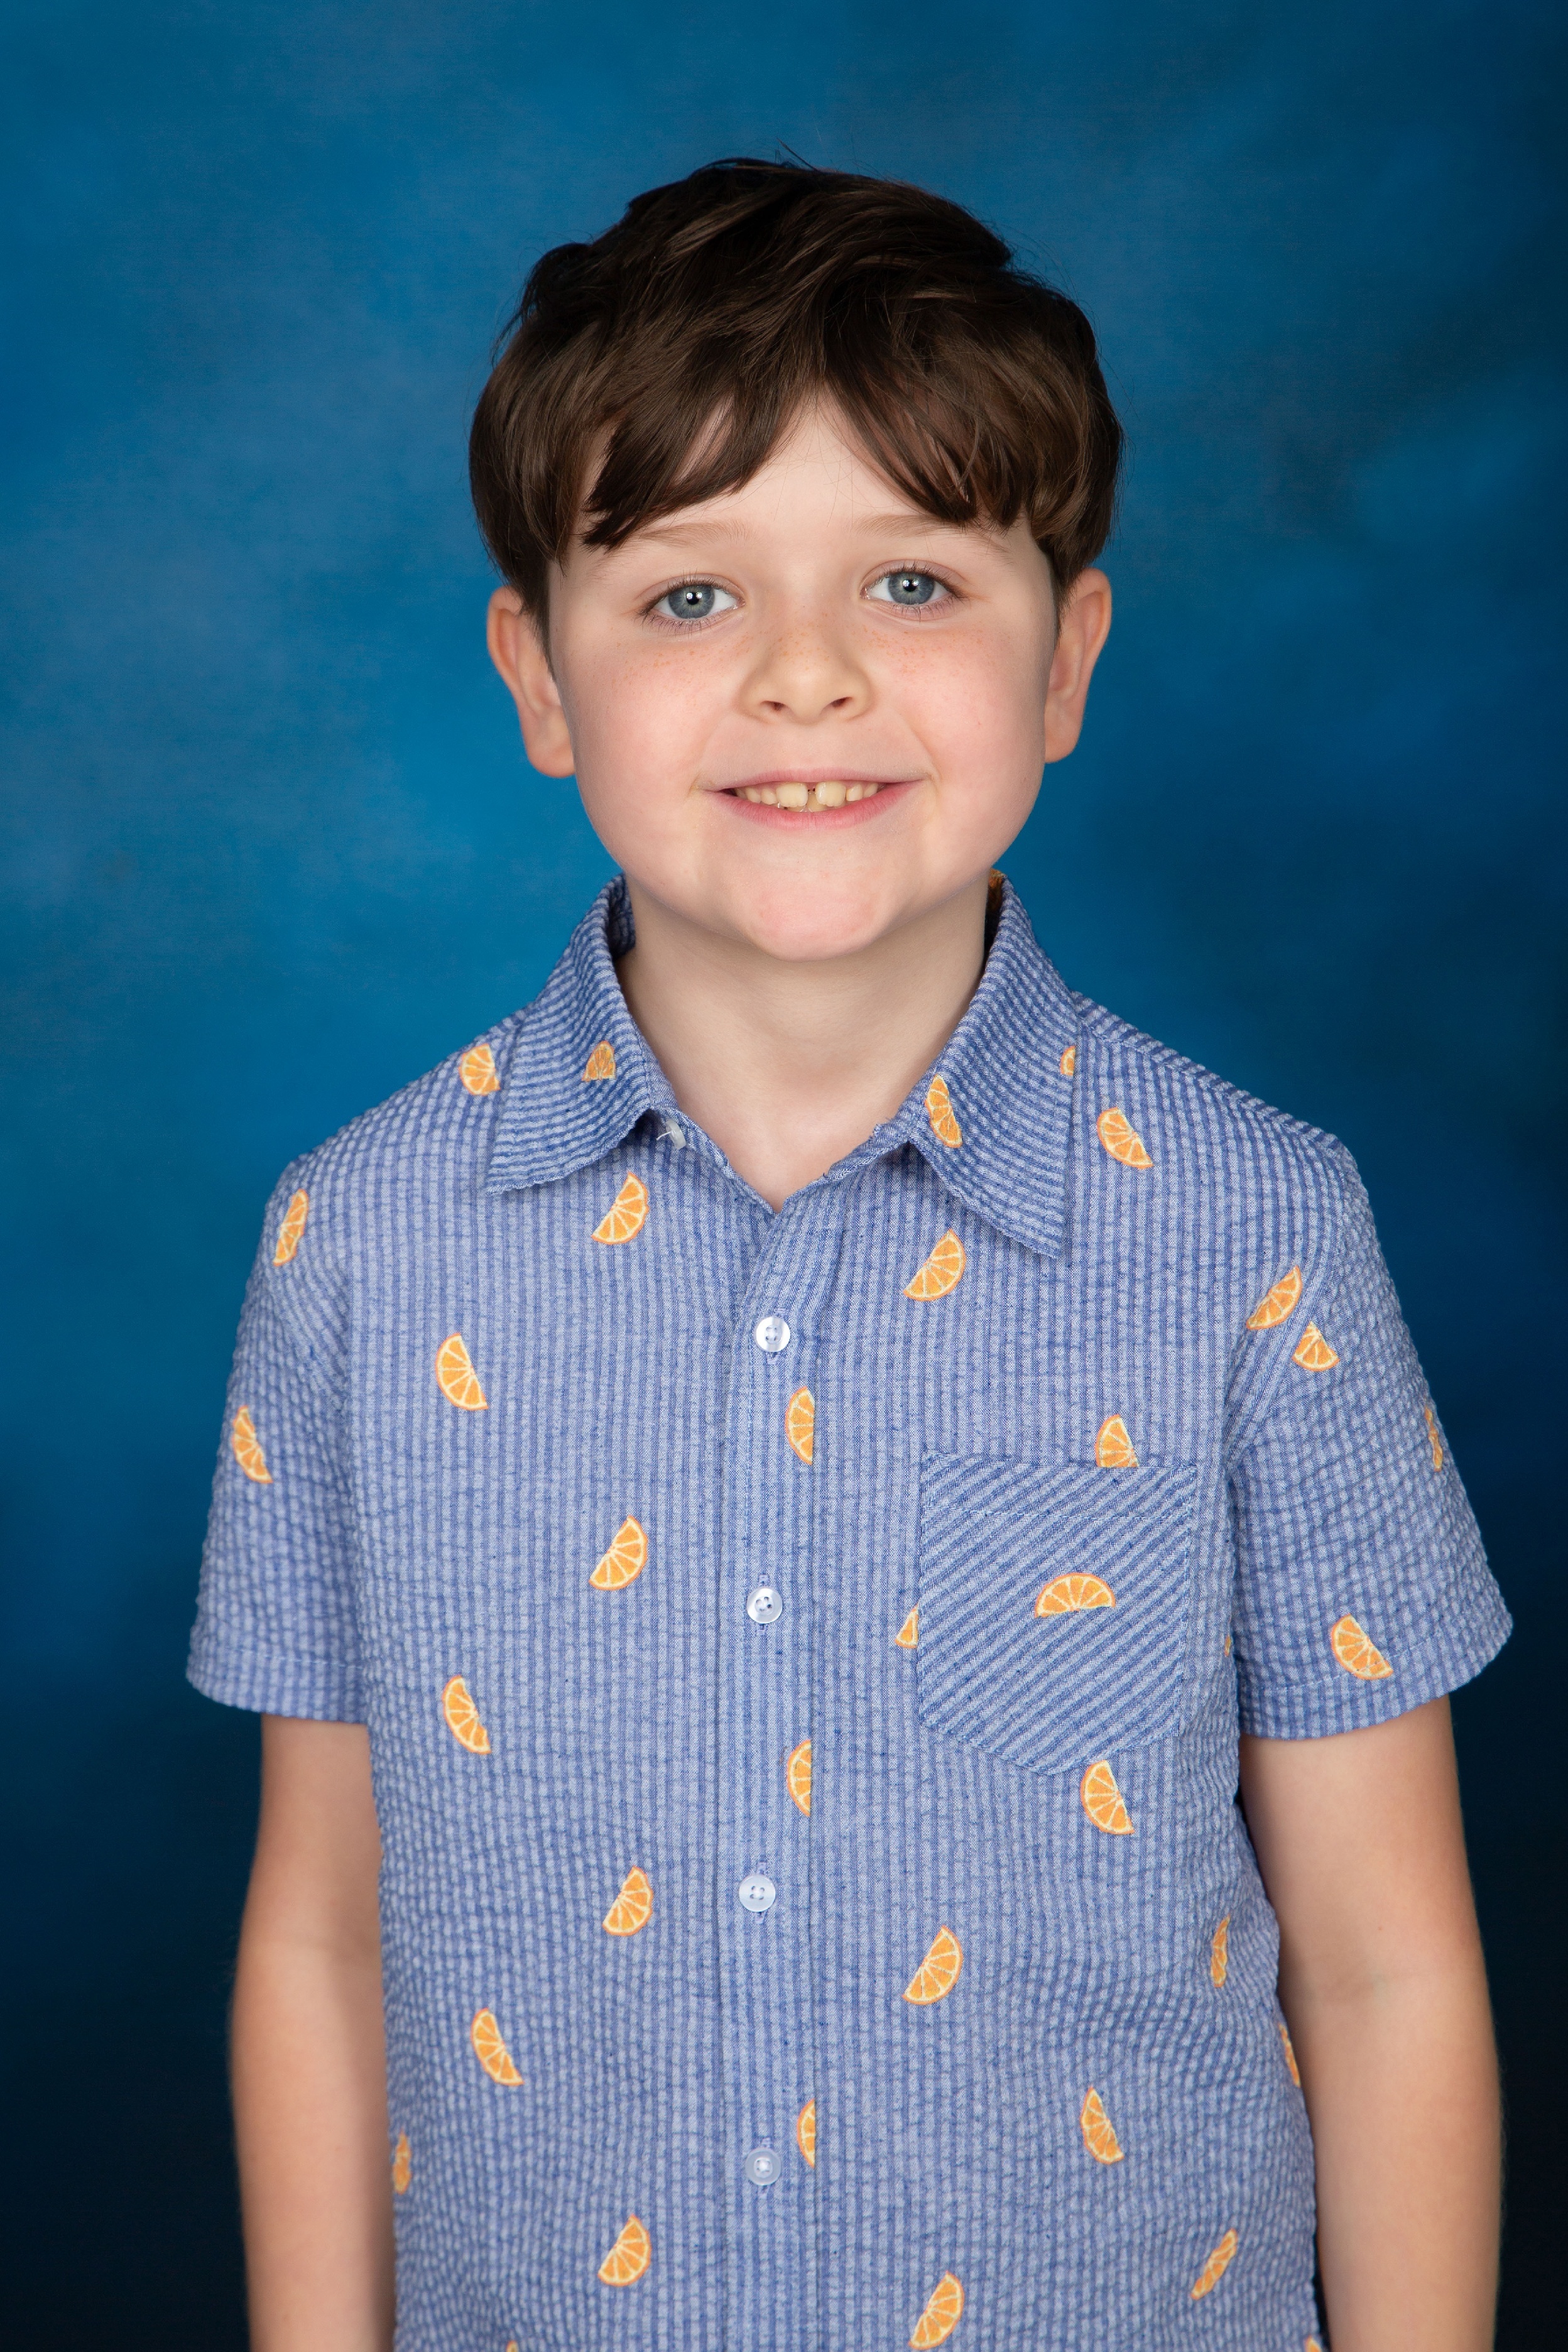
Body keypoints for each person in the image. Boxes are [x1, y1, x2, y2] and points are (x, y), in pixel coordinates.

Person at [189, 160, 1510, 2352]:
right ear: (540, 676)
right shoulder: (359, 1245)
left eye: (912, 581)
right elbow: (325, 1939)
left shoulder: (1260, 1233)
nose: (806, 678)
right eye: (690, 595)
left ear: (1066, 658)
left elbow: (1384, 1968)